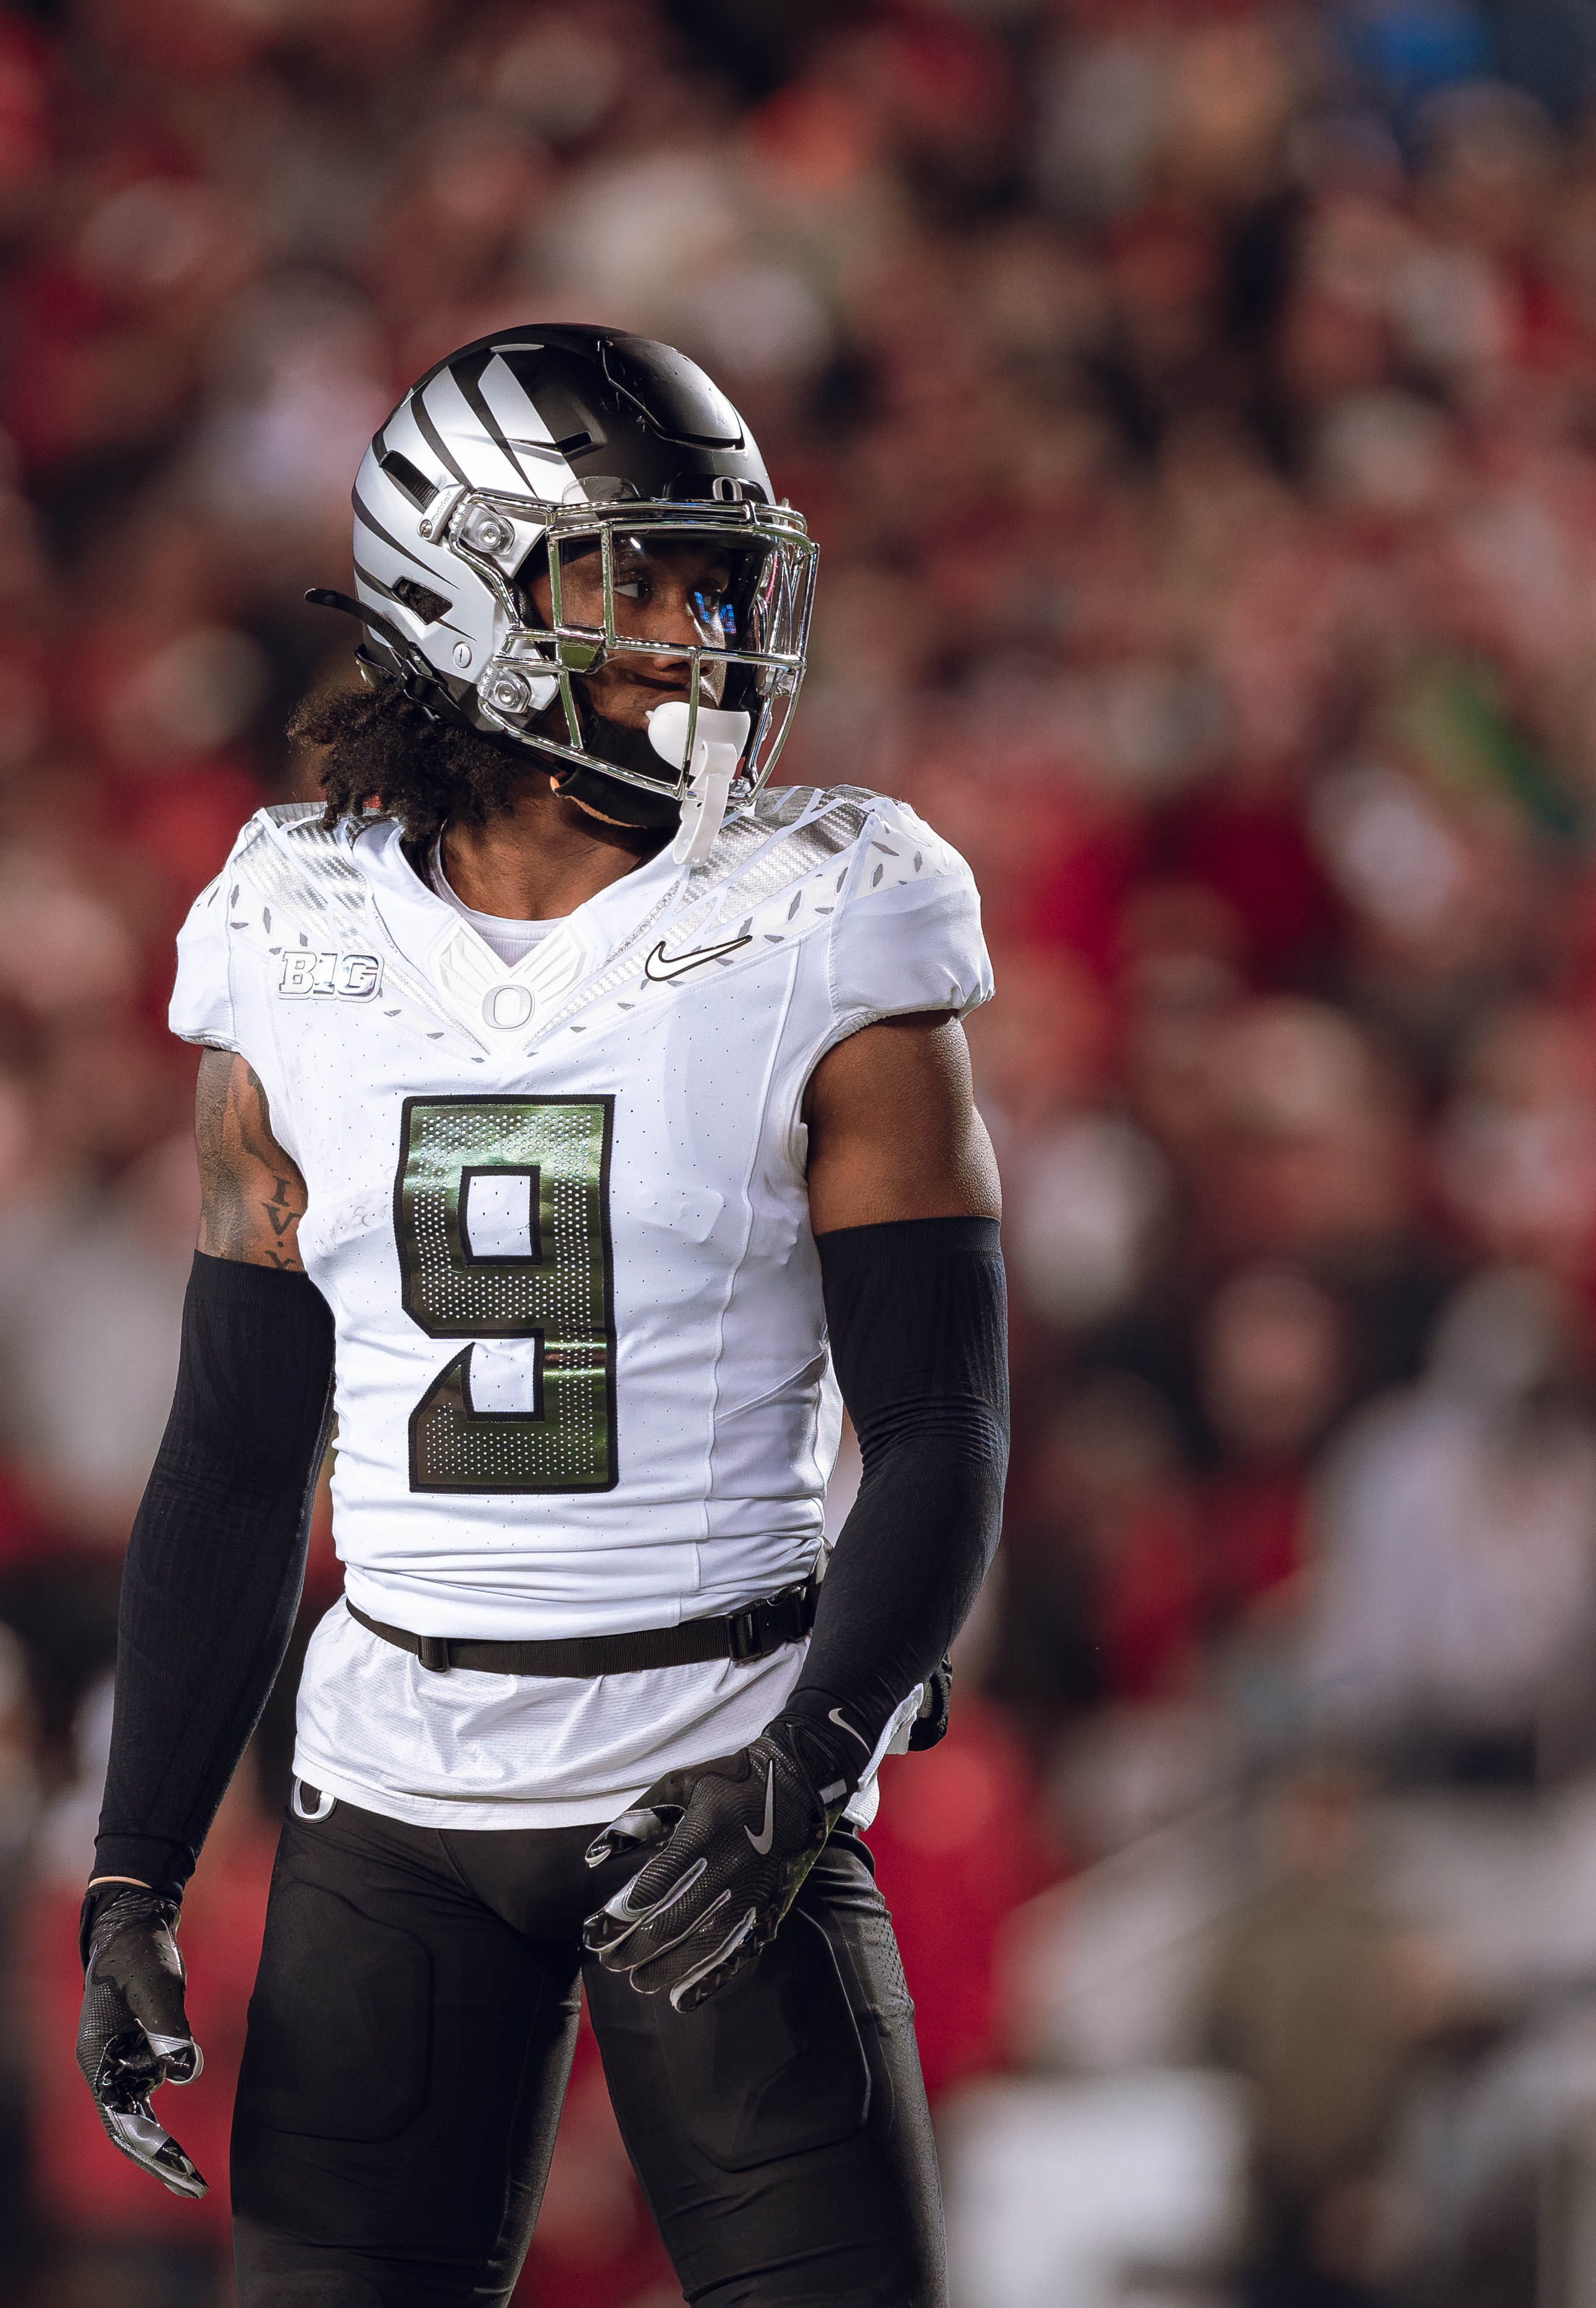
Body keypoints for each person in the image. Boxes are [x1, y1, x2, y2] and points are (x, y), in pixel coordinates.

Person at [65, 325, 1009, 2306]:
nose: (703, 621)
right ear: (461, 593)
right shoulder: (289, 934)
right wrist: (134, 1866)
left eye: (713, 569)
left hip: (715, 1757)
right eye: (637, 577)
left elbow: (943, 1428)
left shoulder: (828, 917)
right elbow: (239, 1454)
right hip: (391, 1786)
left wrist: (811, 1755)